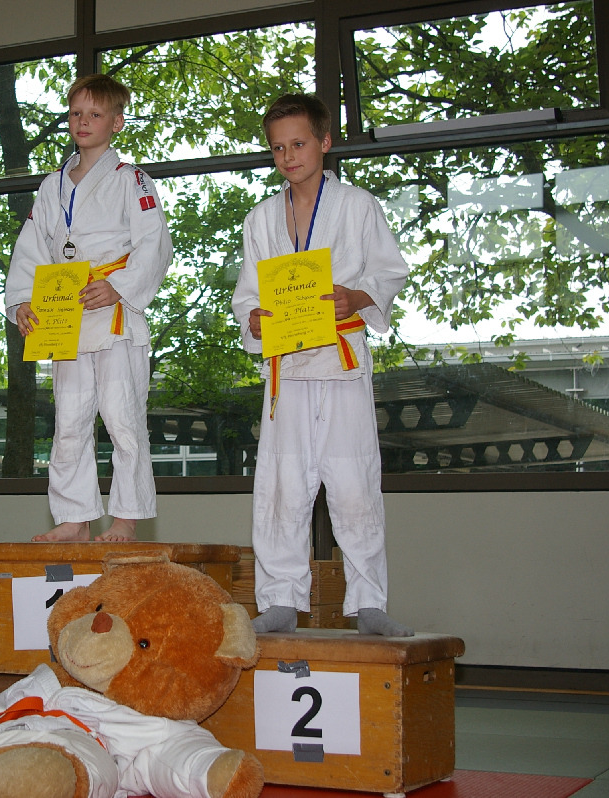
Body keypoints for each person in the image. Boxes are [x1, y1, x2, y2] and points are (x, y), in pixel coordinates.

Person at [231, 93, 413, 637]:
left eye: (299, 144)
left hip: (340, 363)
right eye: (277, 148)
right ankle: (280, 599)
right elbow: (246, 295)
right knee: (281, 485)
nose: (288, 157)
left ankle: (369, 602)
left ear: (325, 142)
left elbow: (390, 272)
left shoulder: (358, 206)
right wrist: (253, 319)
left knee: (354, 483)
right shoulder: (261, 218)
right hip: (287, 370)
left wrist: (356, 298)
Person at [5, 73, 173, 543]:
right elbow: (30, 248)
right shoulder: (51, 186)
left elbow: (155, 243)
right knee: (70, 422)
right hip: (65, 315)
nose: (83, 121)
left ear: (116, 123)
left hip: (113, 312)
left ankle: (126, 518)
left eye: (95, 114)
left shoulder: (132, 179)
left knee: (122, 419)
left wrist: (119, 287)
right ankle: (75, 516)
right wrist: (21, 300)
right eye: (76, 113)